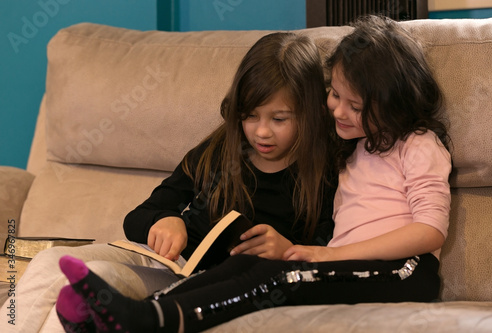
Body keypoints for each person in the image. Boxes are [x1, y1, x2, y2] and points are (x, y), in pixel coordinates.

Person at [54, 15, 452, 333]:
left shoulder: (395, 146)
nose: (338, 112)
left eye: (279, 118)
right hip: (189, 263)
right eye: (334, 95)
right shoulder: (353, 146)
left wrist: (324, 253)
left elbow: (429, 228)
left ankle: (149, 319)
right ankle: (135, 315)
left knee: (278, 276)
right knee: (247, 268)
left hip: (402, 269)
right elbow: (146, 211)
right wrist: (166, 219)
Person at [3, 31, 336, 333]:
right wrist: (164, 221)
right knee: (53, 263)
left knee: (95, 287)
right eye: (249, 116)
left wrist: (288, 251)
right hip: (163, 262)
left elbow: (333, 251)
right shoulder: (222, 148)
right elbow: (138, 216)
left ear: (310, 112)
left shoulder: (325, 173)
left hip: (202, 287)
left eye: (279, 119)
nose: (261, 131)